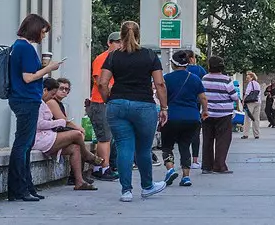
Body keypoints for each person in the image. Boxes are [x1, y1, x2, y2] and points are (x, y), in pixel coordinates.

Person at [98, 19, 169, 202]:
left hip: (118, 105)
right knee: (143, 149)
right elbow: (159, 83)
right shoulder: (149, 55)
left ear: (121, 35)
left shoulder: (113, 56)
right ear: (138, 35)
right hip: (144, 106)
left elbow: (102, 82)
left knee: (124, 147)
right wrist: (164, 107)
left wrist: (109, 100)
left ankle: (126, 191)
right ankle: (147, 186)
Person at [7, 13, 58, 201]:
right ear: (35, 30)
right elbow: (28, 77)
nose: (43, 36)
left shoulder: (16, 46)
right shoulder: (25, 48)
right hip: (27, 99)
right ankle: (20, 188)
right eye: (43, 32)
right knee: (23, 144)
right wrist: (48, 69)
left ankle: (26, 186)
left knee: (25, 144)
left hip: (20, 98)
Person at [35, 79, 98, 191]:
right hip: (41, 138)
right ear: (45, 90)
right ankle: (87, 155)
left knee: (75, 148)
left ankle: (79, 181)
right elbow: (39, 124)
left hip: (49, 136)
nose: (52, 97)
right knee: (77, 134)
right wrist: (60, 122)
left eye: (66, 89)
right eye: (52, 94)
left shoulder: (45, 103)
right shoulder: (39, 103)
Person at [161, 49, 204, 187]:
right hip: (192, 117)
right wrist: (205, 111)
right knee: (185, 146)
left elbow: (160, 96)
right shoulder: (195, 78)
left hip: (171, 117)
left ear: (173, 64)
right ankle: (186, 177)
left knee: (167, 146)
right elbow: (203, 97)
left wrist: (163, 108)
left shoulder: (166, 78)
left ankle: (170, 169)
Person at [200, 55, 238, 172]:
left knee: (207, 139)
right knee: (223, 140)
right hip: (223, 115)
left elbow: (201, 94)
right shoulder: (226, 80)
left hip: (207, 114)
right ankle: (219, 165)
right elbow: (234, 96)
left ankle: (207, 166)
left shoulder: (204, 79)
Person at [86, 43, 115, 178]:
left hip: (106, 102)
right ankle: (105, 168)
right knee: (104, 138)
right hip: (99, 102)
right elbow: (100, 81)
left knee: (103, 137)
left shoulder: (115, 58)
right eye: (117, 42)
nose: (120, 44)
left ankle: (98, 167)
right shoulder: (102, 58)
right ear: (109, 43)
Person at [242, 73, 262, 138]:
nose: (247, 79)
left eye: (248, 78)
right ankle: (256, 134)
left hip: (250, 102)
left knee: (247, 118)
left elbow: (247, 92)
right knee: (256, 119)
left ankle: (245, 134)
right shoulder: (257, 84)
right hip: (257, 102)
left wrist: (243, 100)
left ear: (252, 77)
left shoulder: (251, 83)